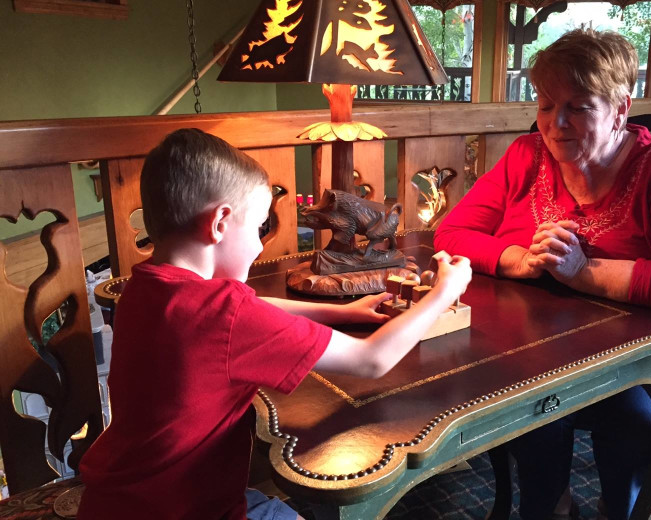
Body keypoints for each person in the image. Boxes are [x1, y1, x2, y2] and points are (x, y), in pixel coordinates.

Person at [77, 128, 472, 520]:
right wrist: (441, 293)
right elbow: (371, 360)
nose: (260, 244)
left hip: (115, 498)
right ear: (219, 224)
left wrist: (343, 311)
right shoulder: (223, 312)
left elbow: (250, 308)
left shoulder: (142, 288)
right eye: (259, 227)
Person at [434, 29, 651, 520]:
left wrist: (582, 271)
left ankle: (622, 507)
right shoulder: (525, 156)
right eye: (546, 103)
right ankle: (551, 504)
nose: (555, 123)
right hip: (560, 334)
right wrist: (520, 260)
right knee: (518, 393)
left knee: (635, 417)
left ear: (620, 108)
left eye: (578, 107)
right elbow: (454, 233)